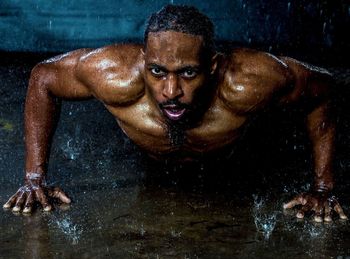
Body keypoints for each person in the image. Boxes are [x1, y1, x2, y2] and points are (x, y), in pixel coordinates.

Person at [3, 5, 347, 222]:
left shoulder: (249, 82)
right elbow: (43, 78)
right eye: (157, 72)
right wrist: (34, 179)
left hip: (229, 165)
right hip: (149, 166)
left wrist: (323, 186)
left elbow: (325, 90)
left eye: (187, 73)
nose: (171, 92)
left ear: (212, 66)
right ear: (142, 60)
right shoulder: (112, 74)